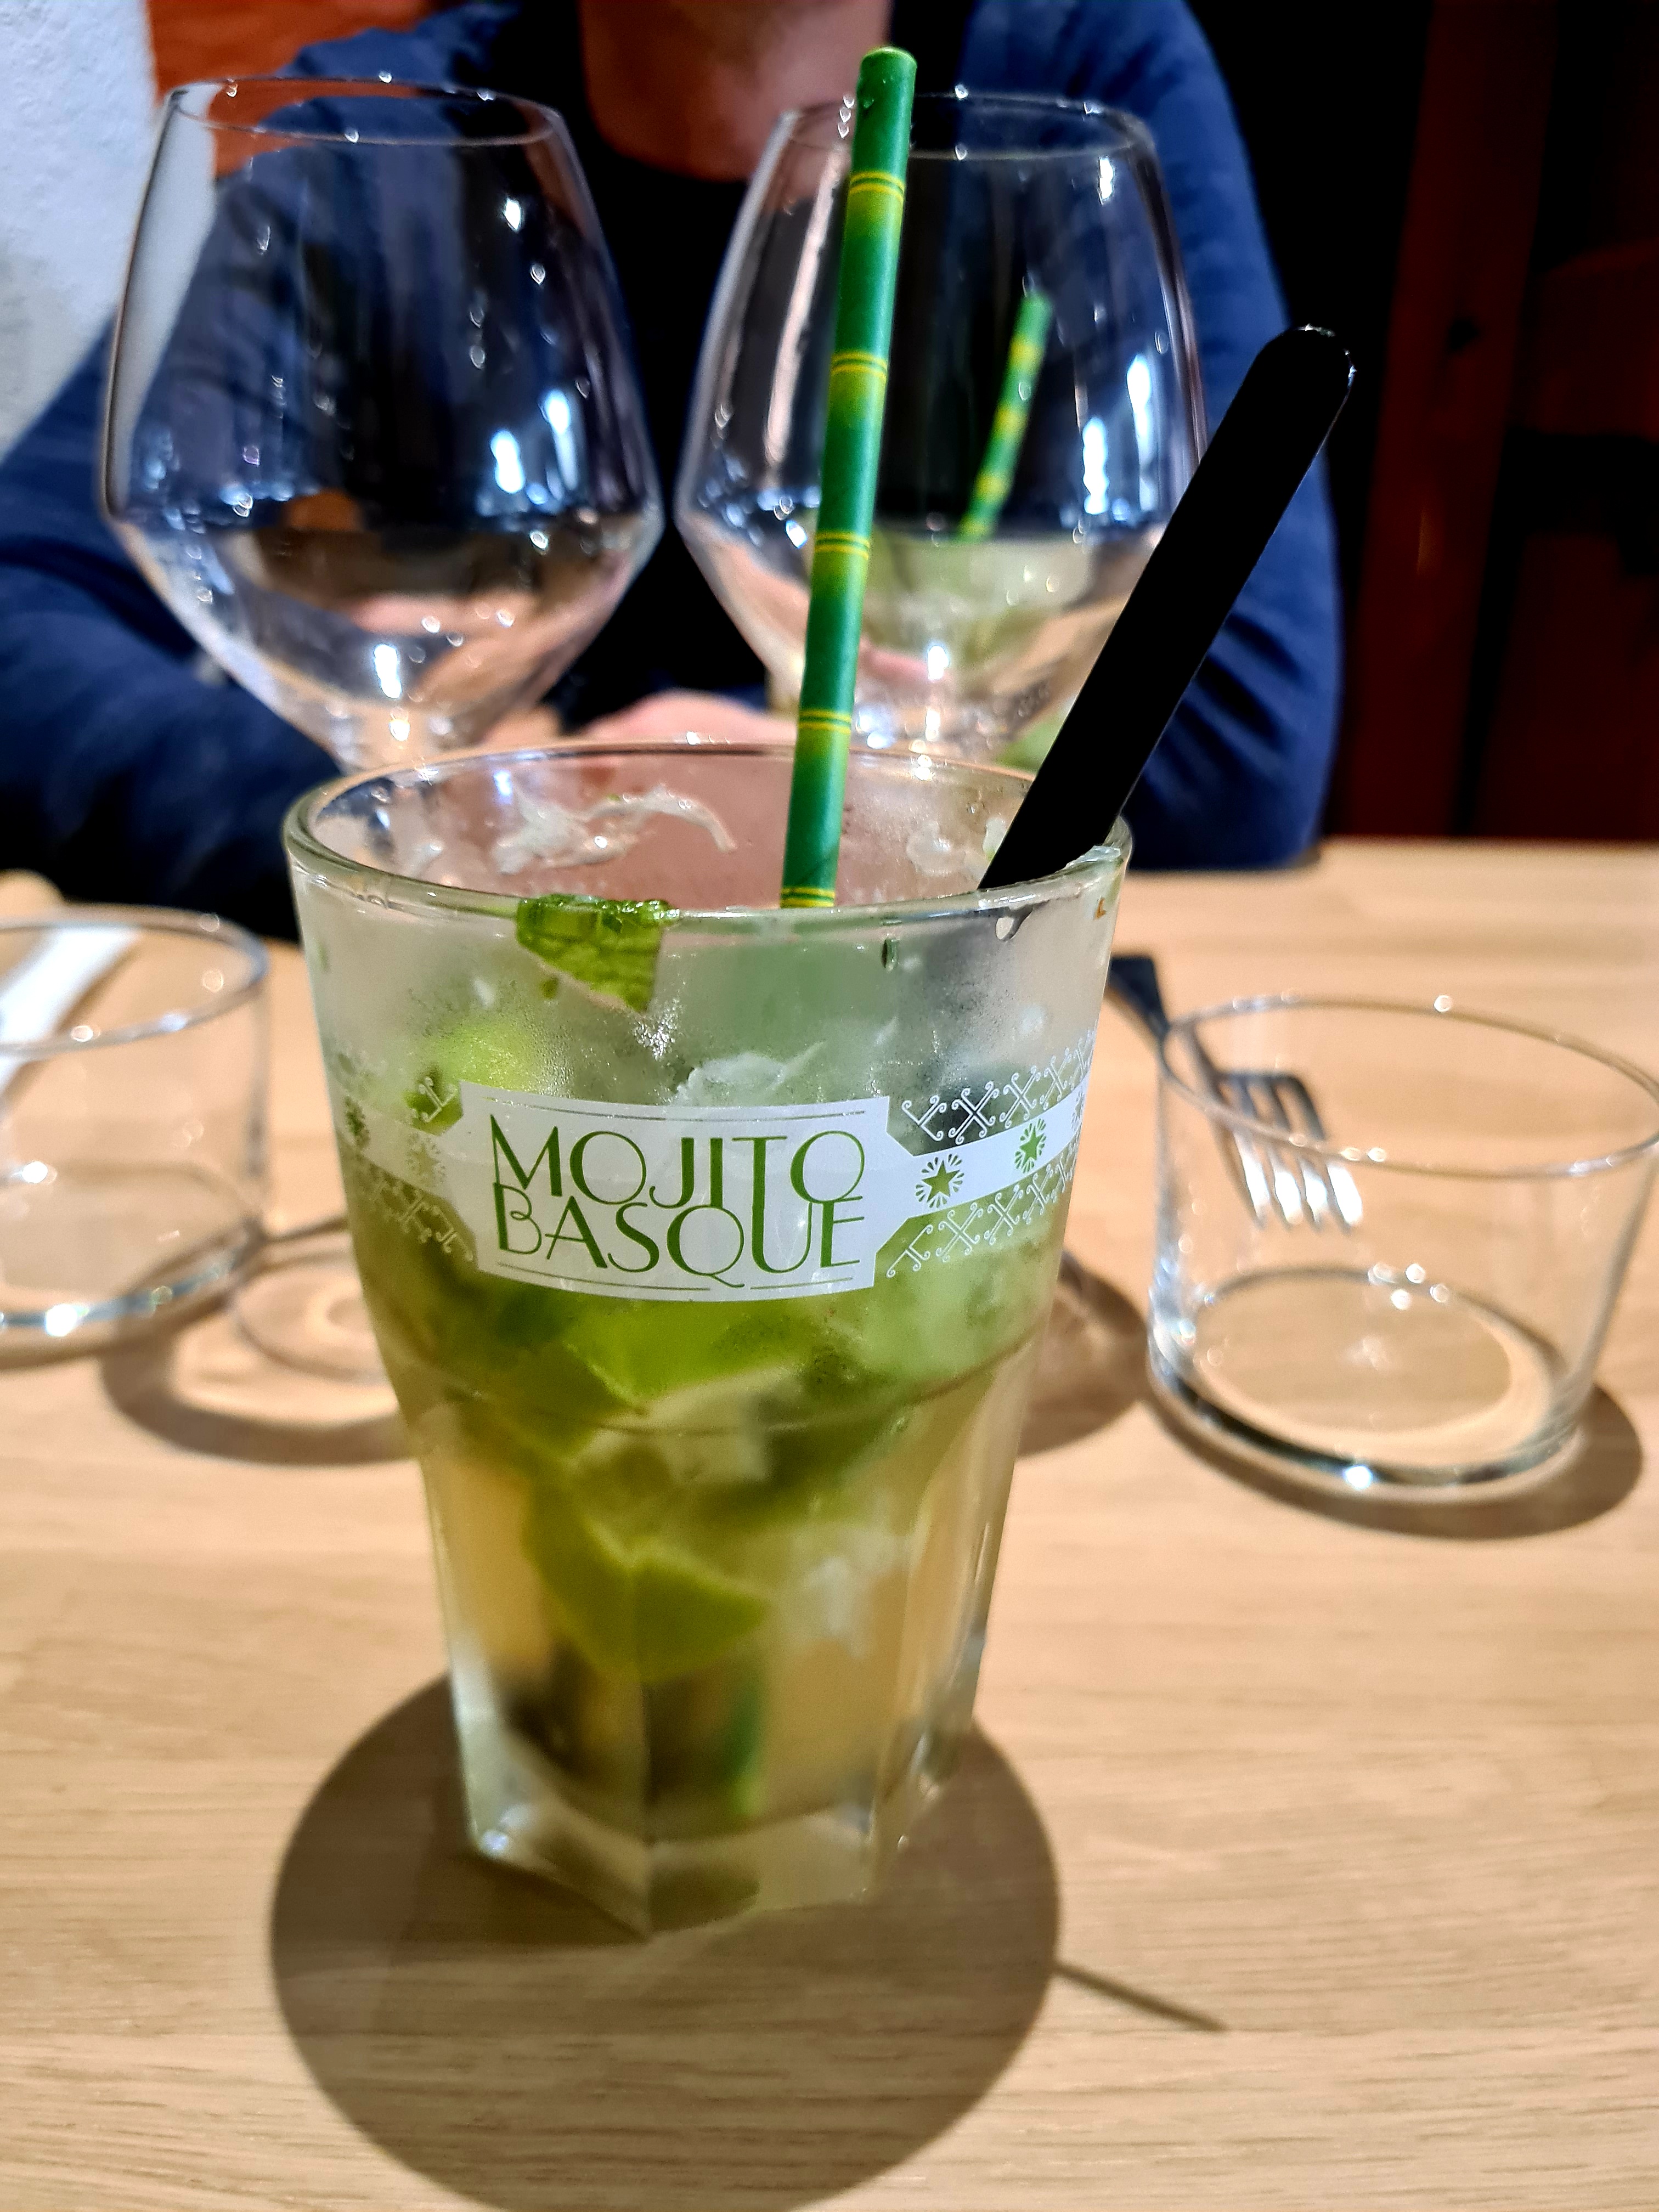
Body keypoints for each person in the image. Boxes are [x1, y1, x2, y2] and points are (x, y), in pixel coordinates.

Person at [0, 1, 1340, 934]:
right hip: (517, 991)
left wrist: (820, 791)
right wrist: (455, 813)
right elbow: (22, 610)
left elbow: (1237, 741)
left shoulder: (1079, 77)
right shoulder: (375, 135)